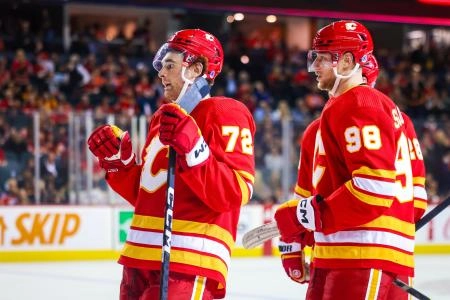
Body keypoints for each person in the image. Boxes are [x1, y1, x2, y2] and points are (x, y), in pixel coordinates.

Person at [87, 29, 256, 300]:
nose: (161, 74)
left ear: (196, 69)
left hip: (188, 259)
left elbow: (237, 190)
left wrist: (193, 146)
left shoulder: (225, 111)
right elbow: (150, 195)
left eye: (170, 65)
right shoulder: (162, 118)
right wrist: (119, 164)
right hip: (139, 259)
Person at [274, 20, 427, 300]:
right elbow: (416, 202)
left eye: (322, 58)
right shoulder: (335, 116)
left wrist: (301, 223)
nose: (315, 66)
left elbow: (375, 188)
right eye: (315, 57)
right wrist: (299, 232)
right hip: (347, 251)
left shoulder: (360, 103)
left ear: (347, 62)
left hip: (360, 253)